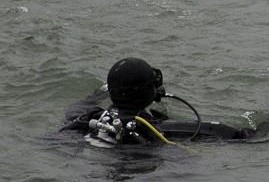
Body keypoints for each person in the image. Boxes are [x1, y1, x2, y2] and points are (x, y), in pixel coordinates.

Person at [60, 57, 253, 144]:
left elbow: (77, 108)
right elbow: (229, 133)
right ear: (147, 93)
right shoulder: (152, 129)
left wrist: (99, 94)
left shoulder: (89, 120)